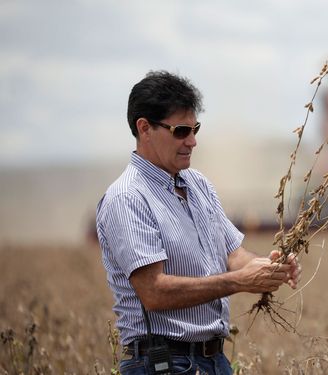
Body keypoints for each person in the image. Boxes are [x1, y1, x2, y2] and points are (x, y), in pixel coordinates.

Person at [96, 70, 300, 375]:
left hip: (214, 360)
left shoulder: (198, 185)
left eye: (195, 129)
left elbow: (232, 255)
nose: (192, 141)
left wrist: (269, 267)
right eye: (180, 131)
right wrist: (240, 282)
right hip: (161, 363)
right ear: (144, 128)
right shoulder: (127, 198)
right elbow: (153, 291)